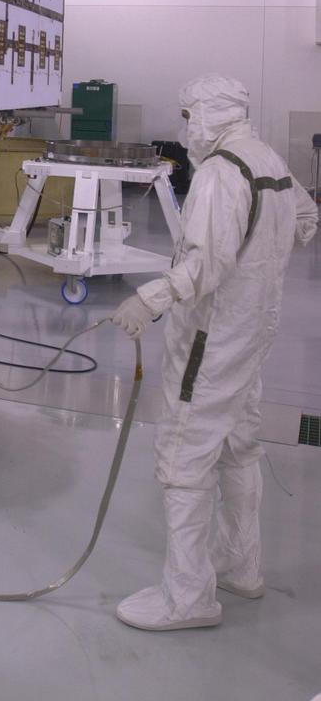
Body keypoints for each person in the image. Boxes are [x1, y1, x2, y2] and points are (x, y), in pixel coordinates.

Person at [112, 74, 317, 632]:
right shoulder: (266, 158)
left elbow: (204, 265)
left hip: (212, 337)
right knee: (237, 443)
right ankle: (240, 563)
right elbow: (304, 219)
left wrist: (148, 300)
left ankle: (187, 598)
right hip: (253, 330)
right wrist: (261, 264)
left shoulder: (221, 174)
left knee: (184, 455)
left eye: (188, 115)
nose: (185, 128)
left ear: (210, 113)